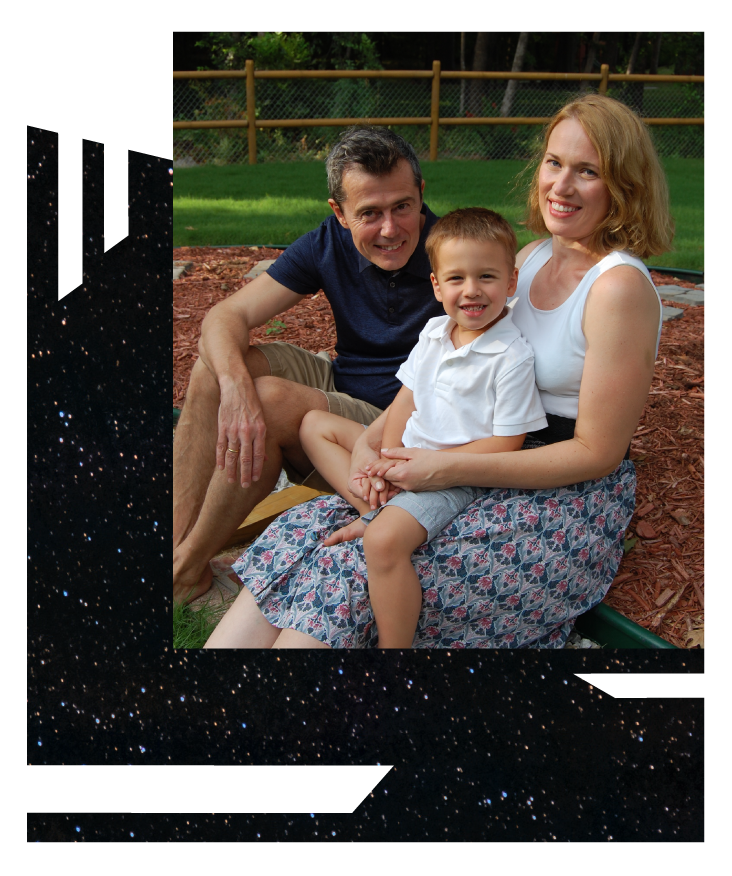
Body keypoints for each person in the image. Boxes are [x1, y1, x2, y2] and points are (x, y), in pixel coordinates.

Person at [204, 93, 674, 650]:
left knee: (354, 563)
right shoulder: (531, 258)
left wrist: (443, 469)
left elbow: (596, 452)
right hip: (477, 459)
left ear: (623, 184)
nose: (561, 186)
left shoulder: (617, 287)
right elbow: (449, 367)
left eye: (587, 171)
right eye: (554, 163)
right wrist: (378, 445)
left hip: (560, 498)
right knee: (315, 531)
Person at [173, 126, 444, 604]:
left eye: (403, 206)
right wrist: (235, 391)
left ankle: (184, 573)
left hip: (401, 422)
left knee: (272, 401)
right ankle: (175, 546)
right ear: (338, 213)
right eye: (369, 213)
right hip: (343, 384)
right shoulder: (327, 243)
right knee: (217, 367)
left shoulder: (454, 252)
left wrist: (252, 401)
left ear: (421, 194)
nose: (390, 228)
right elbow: (225, 317)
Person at [298, 208, 546, 647]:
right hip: (409, 459)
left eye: (487, 277)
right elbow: (404, 402)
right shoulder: (434, 332)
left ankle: (395, 646)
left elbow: (508, 442)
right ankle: (377, 503)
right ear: (436, 285)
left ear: (511, 283)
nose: (471, 291)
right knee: (315, 424)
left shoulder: (510, 356)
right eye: (456, 279)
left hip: (456, 476)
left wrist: (430, 466)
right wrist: (385, 461)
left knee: (383, 542)